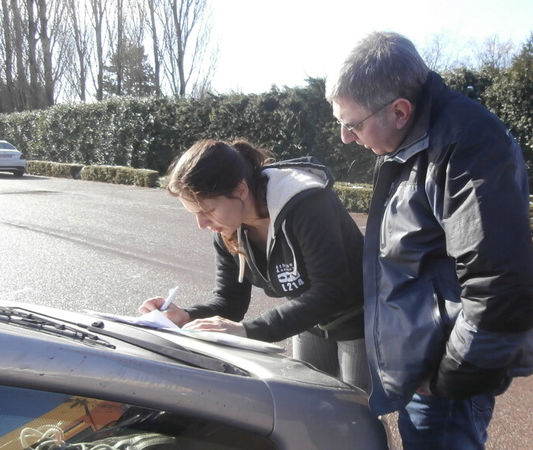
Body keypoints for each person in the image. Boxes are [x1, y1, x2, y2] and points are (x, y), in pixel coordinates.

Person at [325, 31, 533, 448]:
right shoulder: (410, 140)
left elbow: (502, 287)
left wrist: (447, 380)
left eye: (351, 124)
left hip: (445, 380)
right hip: (426, 367)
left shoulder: (466, 145)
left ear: (400, 111)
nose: (345, 138)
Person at [139, 139, 369, 392]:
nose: (201, 224)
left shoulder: (308, 205)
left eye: (207, 210)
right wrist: (186, 316)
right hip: (307, 319)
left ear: (239, 190)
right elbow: (230, 302)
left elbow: (330, 292)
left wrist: (248, 331)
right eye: (194, 213)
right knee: (309, 402)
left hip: (359, 317)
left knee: (357, 411)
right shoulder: (228, 230)